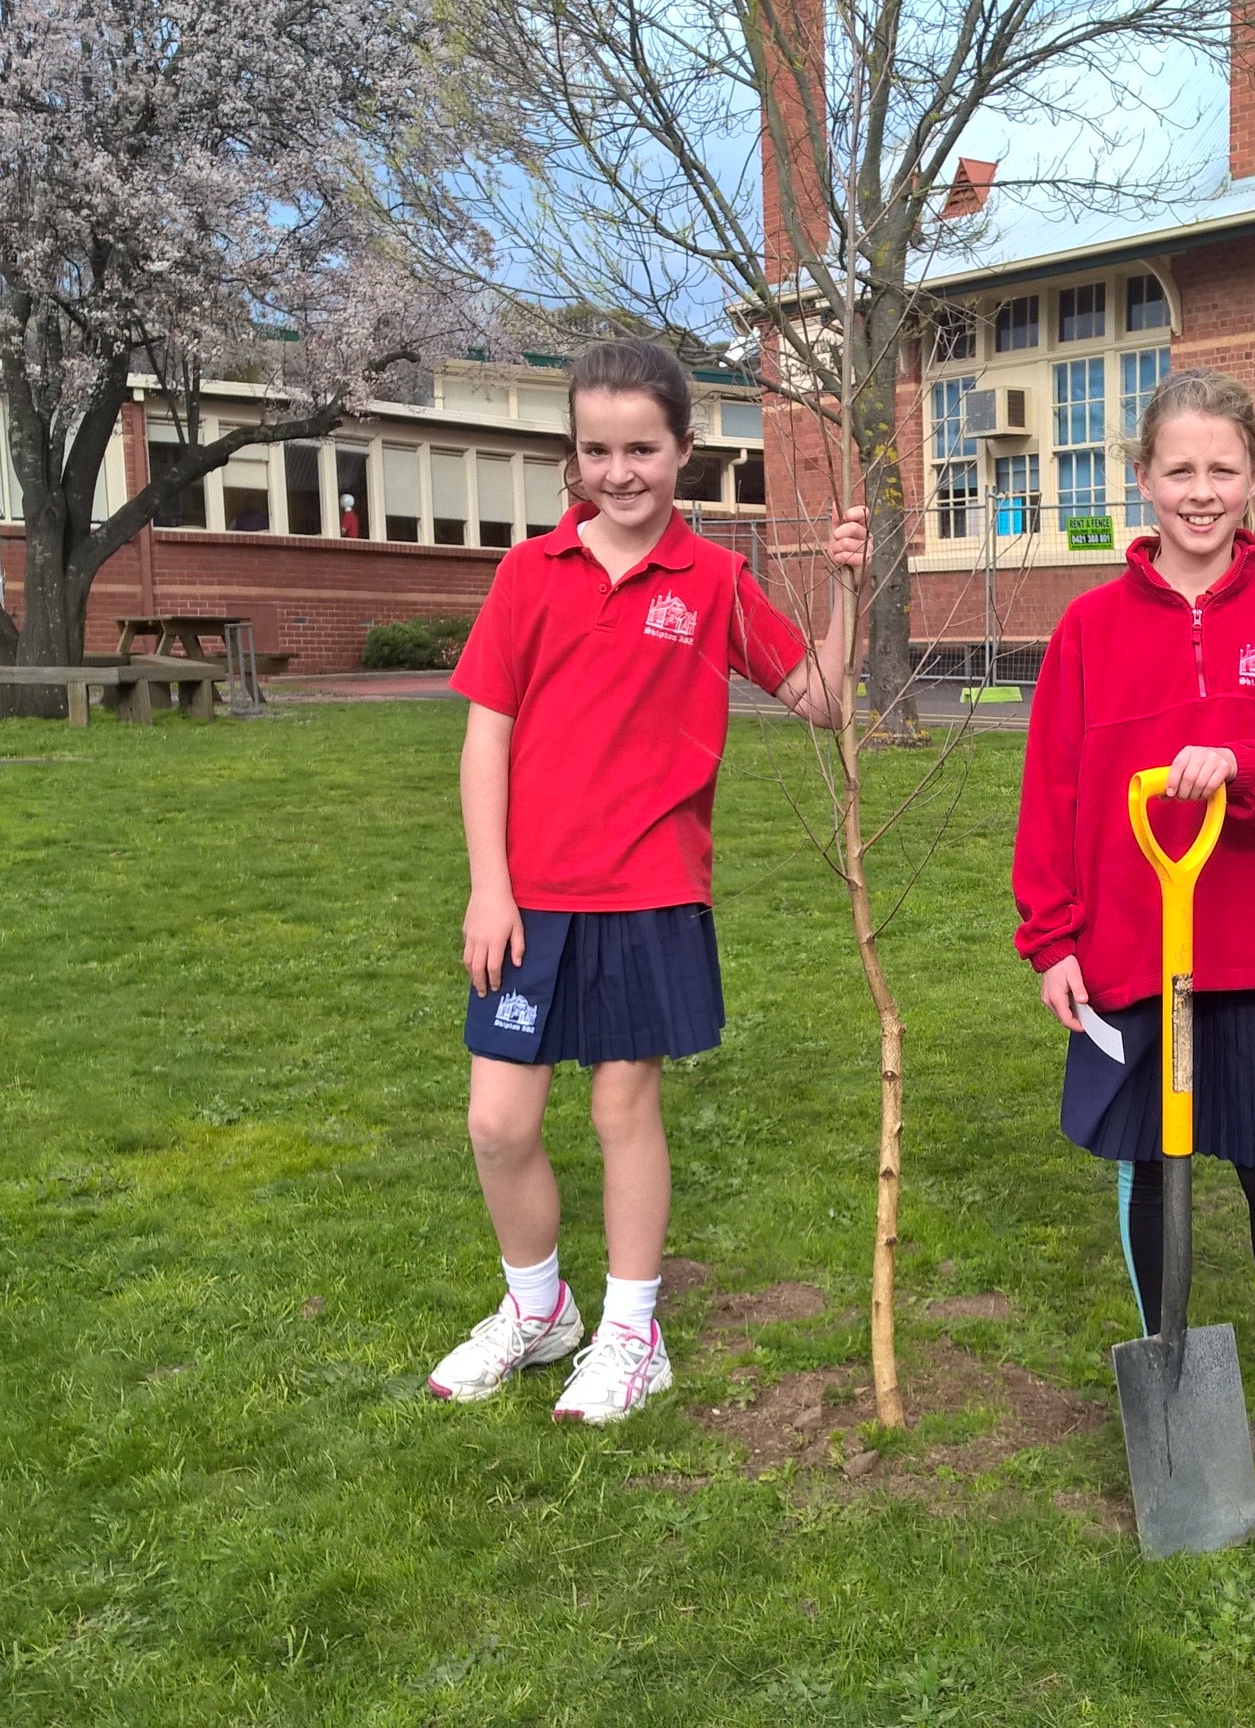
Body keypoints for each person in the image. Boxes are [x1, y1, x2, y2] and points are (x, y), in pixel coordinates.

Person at [426, 337, 865, 1425]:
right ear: (574, 457)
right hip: (532, 897)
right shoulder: (528, 575)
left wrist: (849, 591)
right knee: (499, 1122)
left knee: (624, 1106)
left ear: (682, 451)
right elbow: (486, 739)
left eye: (642, 449)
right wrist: (492, 887)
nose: (619, 471)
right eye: (597, 450)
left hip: (651, 889)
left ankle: (632, 1330)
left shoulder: (712, 579)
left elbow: (816, 696)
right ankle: (539, 1312)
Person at [1014, 368, 1255, 1501]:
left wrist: (1244, 766)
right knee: (1148, 1166)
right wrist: (1053, 939)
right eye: (1177, 469)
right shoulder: (1088, 630)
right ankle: (1172, 1369)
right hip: (1135, 957)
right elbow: (1052, 794)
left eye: (1221, 469)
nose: (1199, 491)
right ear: (1140, 479)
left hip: (1252, 951)